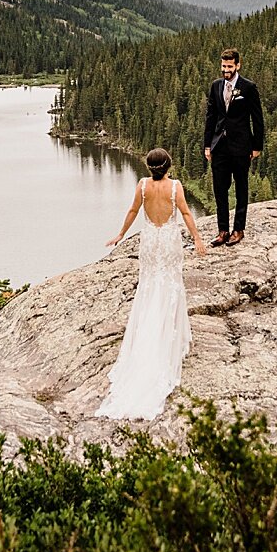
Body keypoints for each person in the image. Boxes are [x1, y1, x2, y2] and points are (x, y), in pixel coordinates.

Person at [96, 147, 208, 420]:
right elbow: (186, 214)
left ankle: (149, 337)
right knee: (171, 286)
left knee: (149, 288)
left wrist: (120, 235)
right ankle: (172, 340)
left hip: (150, 242)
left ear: (148, 167)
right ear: (168, 166)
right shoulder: (176, 187)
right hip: (168, 242)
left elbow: (134, 211)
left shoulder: (143, 186)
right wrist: (197, 239)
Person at [203, 47, 264, 246]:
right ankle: (222, 231)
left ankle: (239, 229)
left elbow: (257, 118)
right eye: (223, 66)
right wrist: (207, 145)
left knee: (241, 188)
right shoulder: (216, 86)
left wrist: (257, 146)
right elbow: (211, 117)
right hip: (219, 146)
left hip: (241, 146)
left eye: (229, 66)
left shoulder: (248, 87)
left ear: (238, 65)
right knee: (219, 189)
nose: (226, 69)